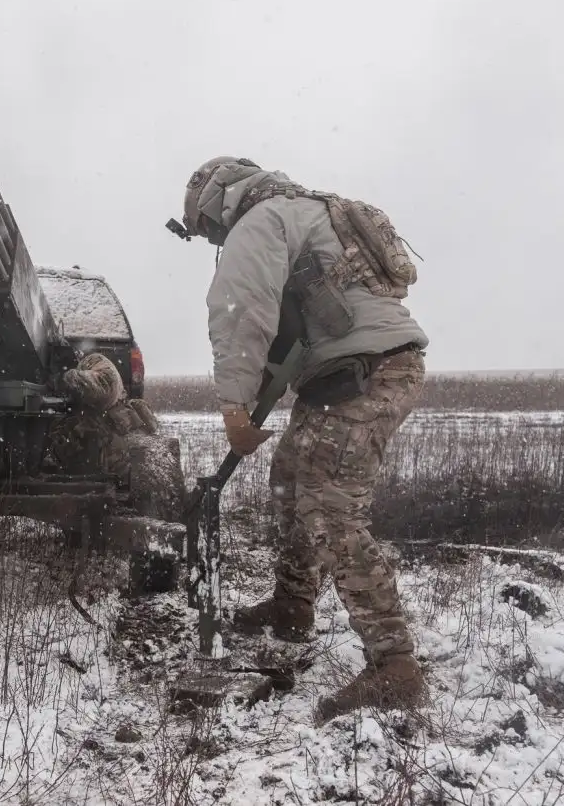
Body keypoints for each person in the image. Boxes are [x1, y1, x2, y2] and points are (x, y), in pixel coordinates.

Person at [178, 156, 430, 723]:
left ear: (217, 201)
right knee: (291, 479)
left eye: (209, 228)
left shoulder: (262, 220)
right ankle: (293, 605)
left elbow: (241, 311)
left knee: (328, 509)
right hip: (354, 372)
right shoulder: (311, 208)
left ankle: (395, 666)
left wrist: (234, 409)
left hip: (366, 374)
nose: (217, 238)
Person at [47, 352, 159, 482]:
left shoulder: (93, 361)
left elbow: (106, 385)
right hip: (99, 476)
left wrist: (70, 378)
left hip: (122, 472)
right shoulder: (75, 419)